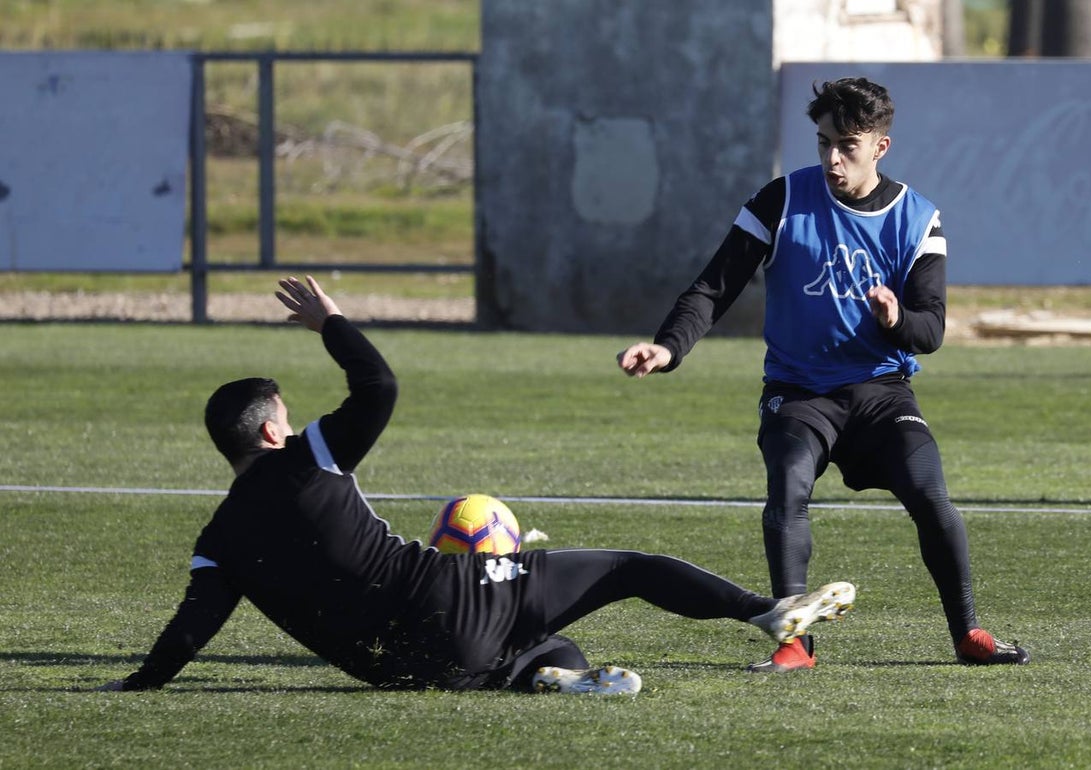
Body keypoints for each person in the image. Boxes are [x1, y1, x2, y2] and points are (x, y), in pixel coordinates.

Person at [98, 275, 856, 696]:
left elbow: (189, 632)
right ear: (269, 433)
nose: (295, 428)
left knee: (551, 644)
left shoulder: (218, 542)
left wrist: (137, 686)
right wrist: (330, 322)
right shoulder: (308, 459)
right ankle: (767, 612)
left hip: (408, 669)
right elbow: (378, 384)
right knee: (628, 570)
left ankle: (554, 680)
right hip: (449, 597)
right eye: (287, 420)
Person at [617, 78, 1029, 673]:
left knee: (931, 496)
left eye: (848, 145)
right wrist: (668, 347)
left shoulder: (918, 218)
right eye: (823, 143)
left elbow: (931, 330)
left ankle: (968, 632)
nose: (833, 158)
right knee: (787, 488)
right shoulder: (780, 201)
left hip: (881, 393)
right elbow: (714, 287)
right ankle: (795, 642)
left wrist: (895, 318)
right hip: (799, 392)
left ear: (881, 146)